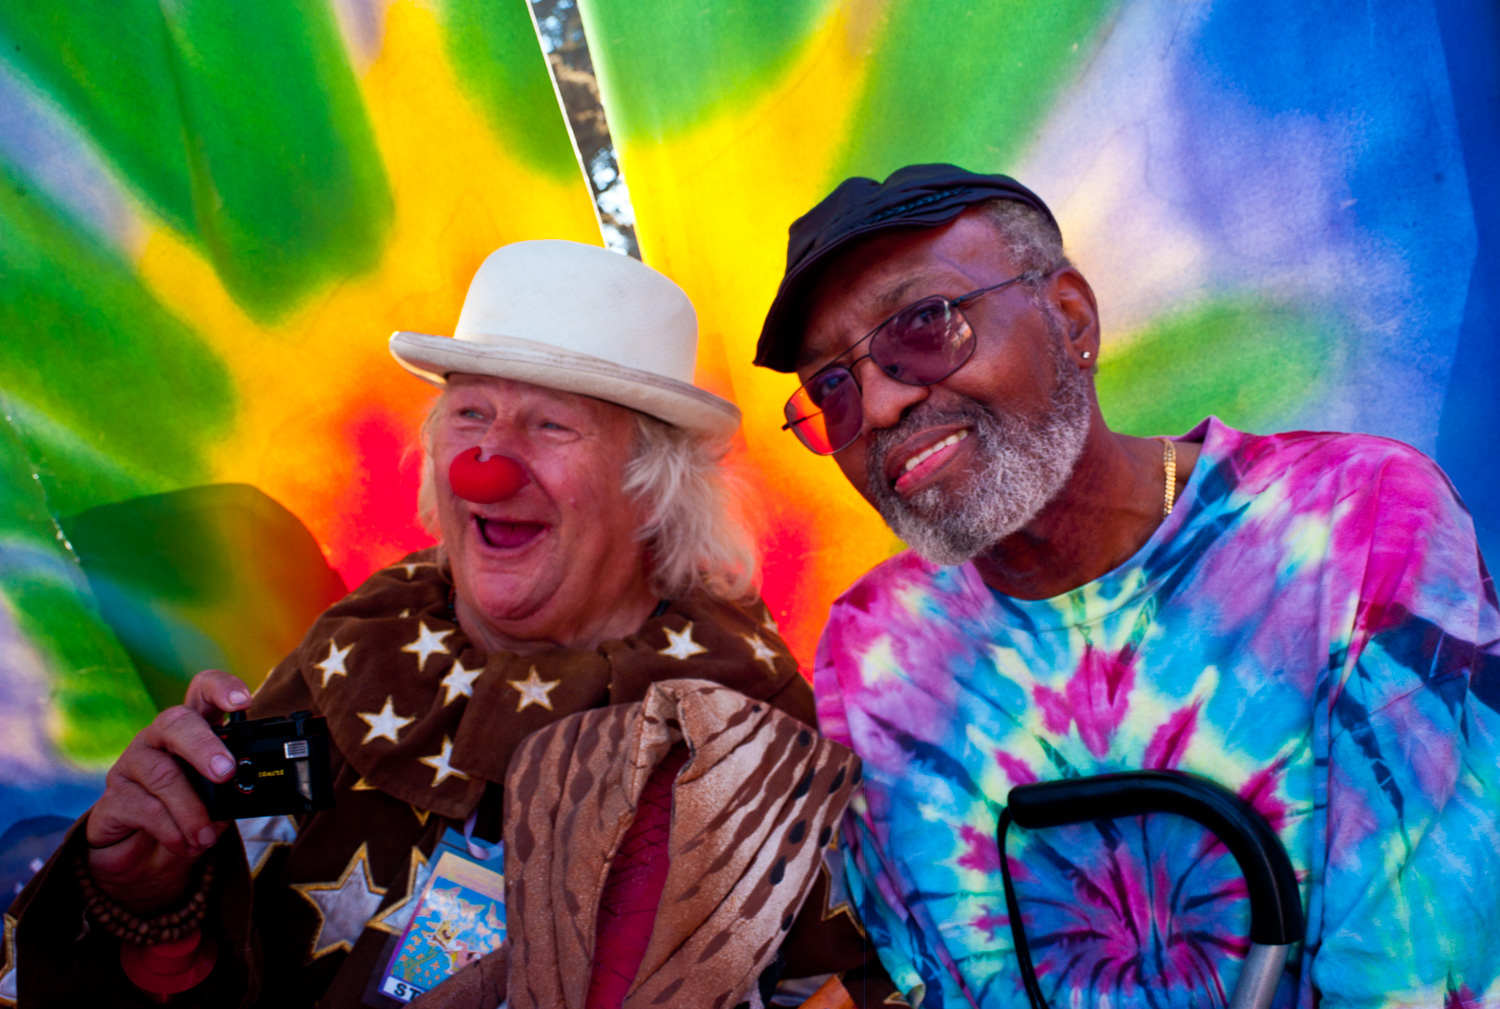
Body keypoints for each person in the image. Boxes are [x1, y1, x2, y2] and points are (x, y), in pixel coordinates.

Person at [10, 240, 883, 1007]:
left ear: (651, 491)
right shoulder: (363, 642)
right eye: (469, 414)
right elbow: (184, 970)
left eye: (551, 424)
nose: (488, 464)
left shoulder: (743, 734)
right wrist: (150, 898)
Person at [753, 163, 1500, 1008]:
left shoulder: (1358, 526)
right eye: (831, 390)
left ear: (1070, 316)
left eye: (925, 323)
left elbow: (1425, 969)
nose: (881, 406)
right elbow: (926, 975)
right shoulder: (876, 649)